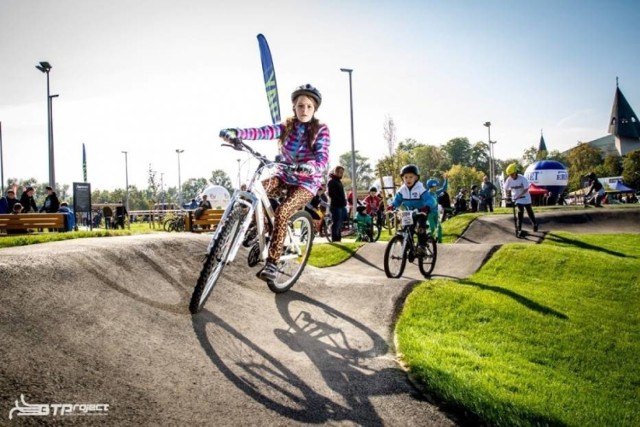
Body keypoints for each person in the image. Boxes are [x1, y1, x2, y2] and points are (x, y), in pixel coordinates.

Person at [220, 83, 330, 282]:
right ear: (294, 107)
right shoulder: (287, 126)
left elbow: (323, 156)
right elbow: (263, 131)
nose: (304, 110)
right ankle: (257, 227)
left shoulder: (320, 129)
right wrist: (236, 133)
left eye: (308, 106)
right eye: (300, 106)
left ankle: (272, 263)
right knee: (257, 191)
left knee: (283, 211)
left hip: (306, 182)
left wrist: (311, 167)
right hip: (284, 175)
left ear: (314, 109)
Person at [387, 164, 430, 254]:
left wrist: (426, 207)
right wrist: (392, 206)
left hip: (421, 211)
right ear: (402, 178)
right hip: (409, 213)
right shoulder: (402, 189)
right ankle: (407, 245)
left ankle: (422, 247)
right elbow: (397, 201)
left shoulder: (420, 188)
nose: (408, 179)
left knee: (421, 229)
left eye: (411, 177)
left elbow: (429, 199)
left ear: (416, 178)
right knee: (407, 229)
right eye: (405, 177)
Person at [503, 163, 539, 233]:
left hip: (525, 197)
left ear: (516, 172)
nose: (511, 176)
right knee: (520, 211)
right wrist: (507, 196)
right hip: (517, 199)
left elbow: (526, 189)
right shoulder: (509, 179)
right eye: (510, 175)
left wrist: (519, 195)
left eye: (512, 174)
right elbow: (505, 188)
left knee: (529, 211)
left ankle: (534, 224)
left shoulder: (522, 179)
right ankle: (519, 228)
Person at [425, 175, 448, 243]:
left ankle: (439, 241)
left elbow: (444, 188)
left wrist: (446, 180)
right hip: (429, 214)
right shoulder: (427, 194)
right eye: (435, 186)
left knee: (439, 227)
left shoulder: (436, 192)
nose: (436, 187)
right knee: (432, 228)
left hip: (435, 213)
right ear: (432, 186)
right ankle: (427, 239)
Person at [327, 166, 347, 242]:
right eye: (338, 172)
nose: (340, 174)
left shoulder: (339, 182)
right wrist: (339, 200)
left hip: (341, 205)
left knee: (340, 223)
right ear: (335, 172)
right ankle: (335, 239)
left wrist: (344, 201)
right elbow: (331, 194)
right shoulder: (331, 181)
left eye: (341, 173)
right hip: (335, 205)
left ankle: (339, 239)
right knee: (336, 223)